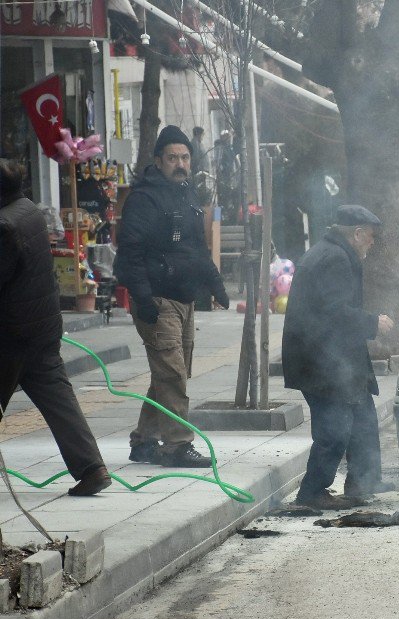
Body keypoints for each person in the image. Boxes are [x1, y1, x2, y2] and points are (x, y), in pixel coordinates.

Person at [113, 126, 229, 468]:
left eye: (184, 157)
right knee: (173, 375)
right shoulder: (144, 199)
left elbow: (196, 249)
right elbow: (129, 255)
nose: (179, 163)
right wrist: (144, 298)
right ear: (158, 161)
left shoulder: (188, 196)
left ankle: (145, 440)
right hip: (158, 300)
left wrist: (216, 285)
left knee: (169, 375)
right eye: (172, 157)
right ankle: (177, 445)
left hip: (185, 299)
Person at [0, 159, 112, 495]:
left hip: (12, 333)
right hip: (42, 327)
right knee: (58, 399)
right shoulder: (28, 210)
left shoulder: (4, 226)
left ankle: (93, 469)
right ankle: (92, 468)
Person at [283, 205, 395, 508]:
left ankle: (363, 481)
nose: (372, 243)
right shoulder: (334, 259)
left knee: (363, 415)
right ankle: (312, 493)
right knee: (335, 427)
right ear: (357, 234)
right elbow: (334, 312)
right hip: (320, 360)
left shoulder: (335, 252)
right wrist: (374, 323)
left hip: (335, 357)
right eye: (370, 237)